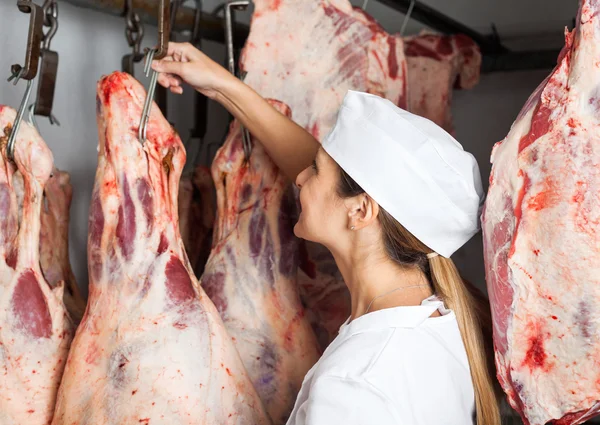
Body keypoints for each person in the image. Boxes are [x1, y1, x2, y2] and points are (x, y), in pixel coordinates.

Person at [152, 42, 501, 425]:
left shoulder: (353, 385)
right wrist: (222, 85)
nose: (298, 178)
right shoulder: (443, 320)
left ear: (361, 210)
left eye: (315, 171)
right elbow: (335, 172)